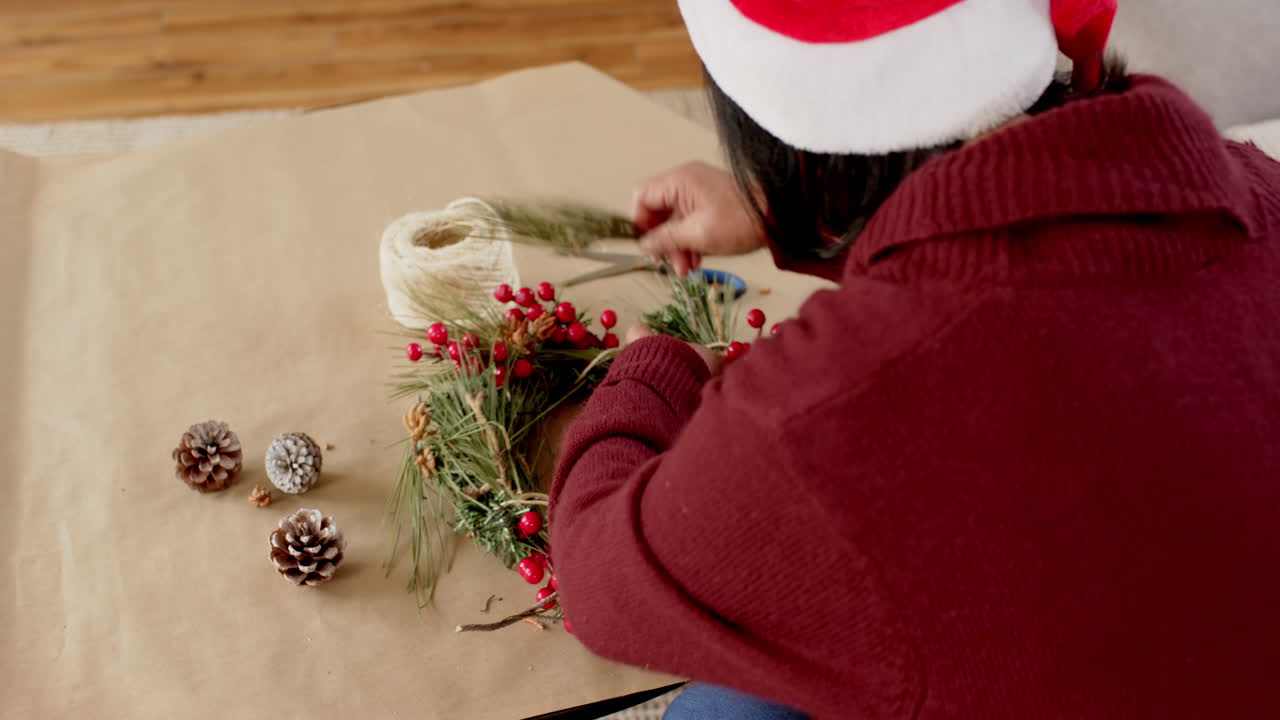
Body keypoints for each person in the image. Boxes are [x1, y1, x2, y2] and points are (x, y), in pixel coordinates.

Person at [549, 1, 1280, 718]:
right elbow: (1028, 276)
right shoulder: (1256, 191)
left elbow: (598, 577)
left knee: (726, 703)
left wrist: (655, 364)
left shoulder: (814, 418)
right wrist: (792, 211)